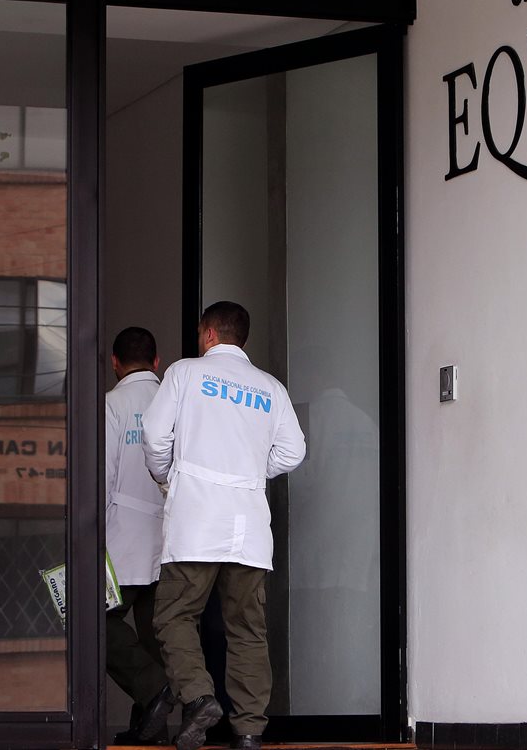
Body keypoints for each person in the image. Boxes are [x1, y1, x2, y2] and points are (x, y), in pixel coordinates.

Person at [140, 301, 306, 750]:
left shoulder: (184, 374)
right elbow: (293, 453)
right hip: (248, 524)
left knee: (175, 614)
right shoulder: (270, 388)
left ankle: (198, 698)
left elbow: (155, 436)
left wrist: (166, 475)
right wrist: (249, 471)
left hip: (196, 516)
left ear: (209, 334)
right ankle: (249, 730)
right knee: (247, 629)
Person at [104, 327, 173, 744]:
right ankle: (153, 730)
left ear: (115, 362)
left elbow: (105, 473)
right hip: (171, 535)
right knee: (155, 632)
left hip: (121, 535)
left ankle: (153, 690)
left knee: (96, 624)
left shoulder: (114, 404)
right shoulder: (175, 401)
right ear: (157, 361)